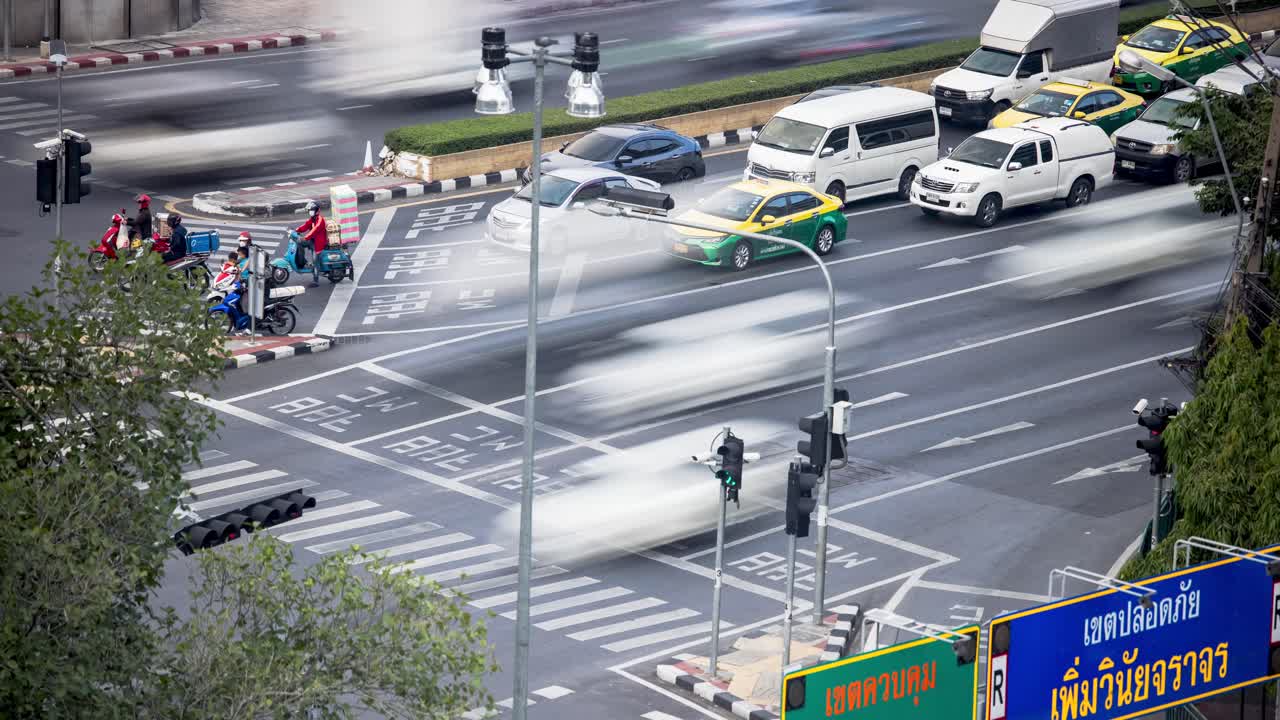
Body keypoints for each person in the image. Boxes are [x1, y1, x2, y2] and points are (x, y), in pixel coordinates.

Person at [295, 200, 328, 287]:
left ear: (317, 211)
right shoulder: (312, 219)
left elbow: (314, 231)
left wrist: (305, 237)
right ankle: (302, 262)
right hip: (312, 241)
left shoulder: (320, 220)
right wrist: (296, 230)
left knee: (315, 260)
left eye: (312, 210)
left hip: (318, 244)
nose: (310, 212)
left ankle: (316, 280)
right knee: (299, 243)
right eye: (310, 210)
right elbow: (306, 225)